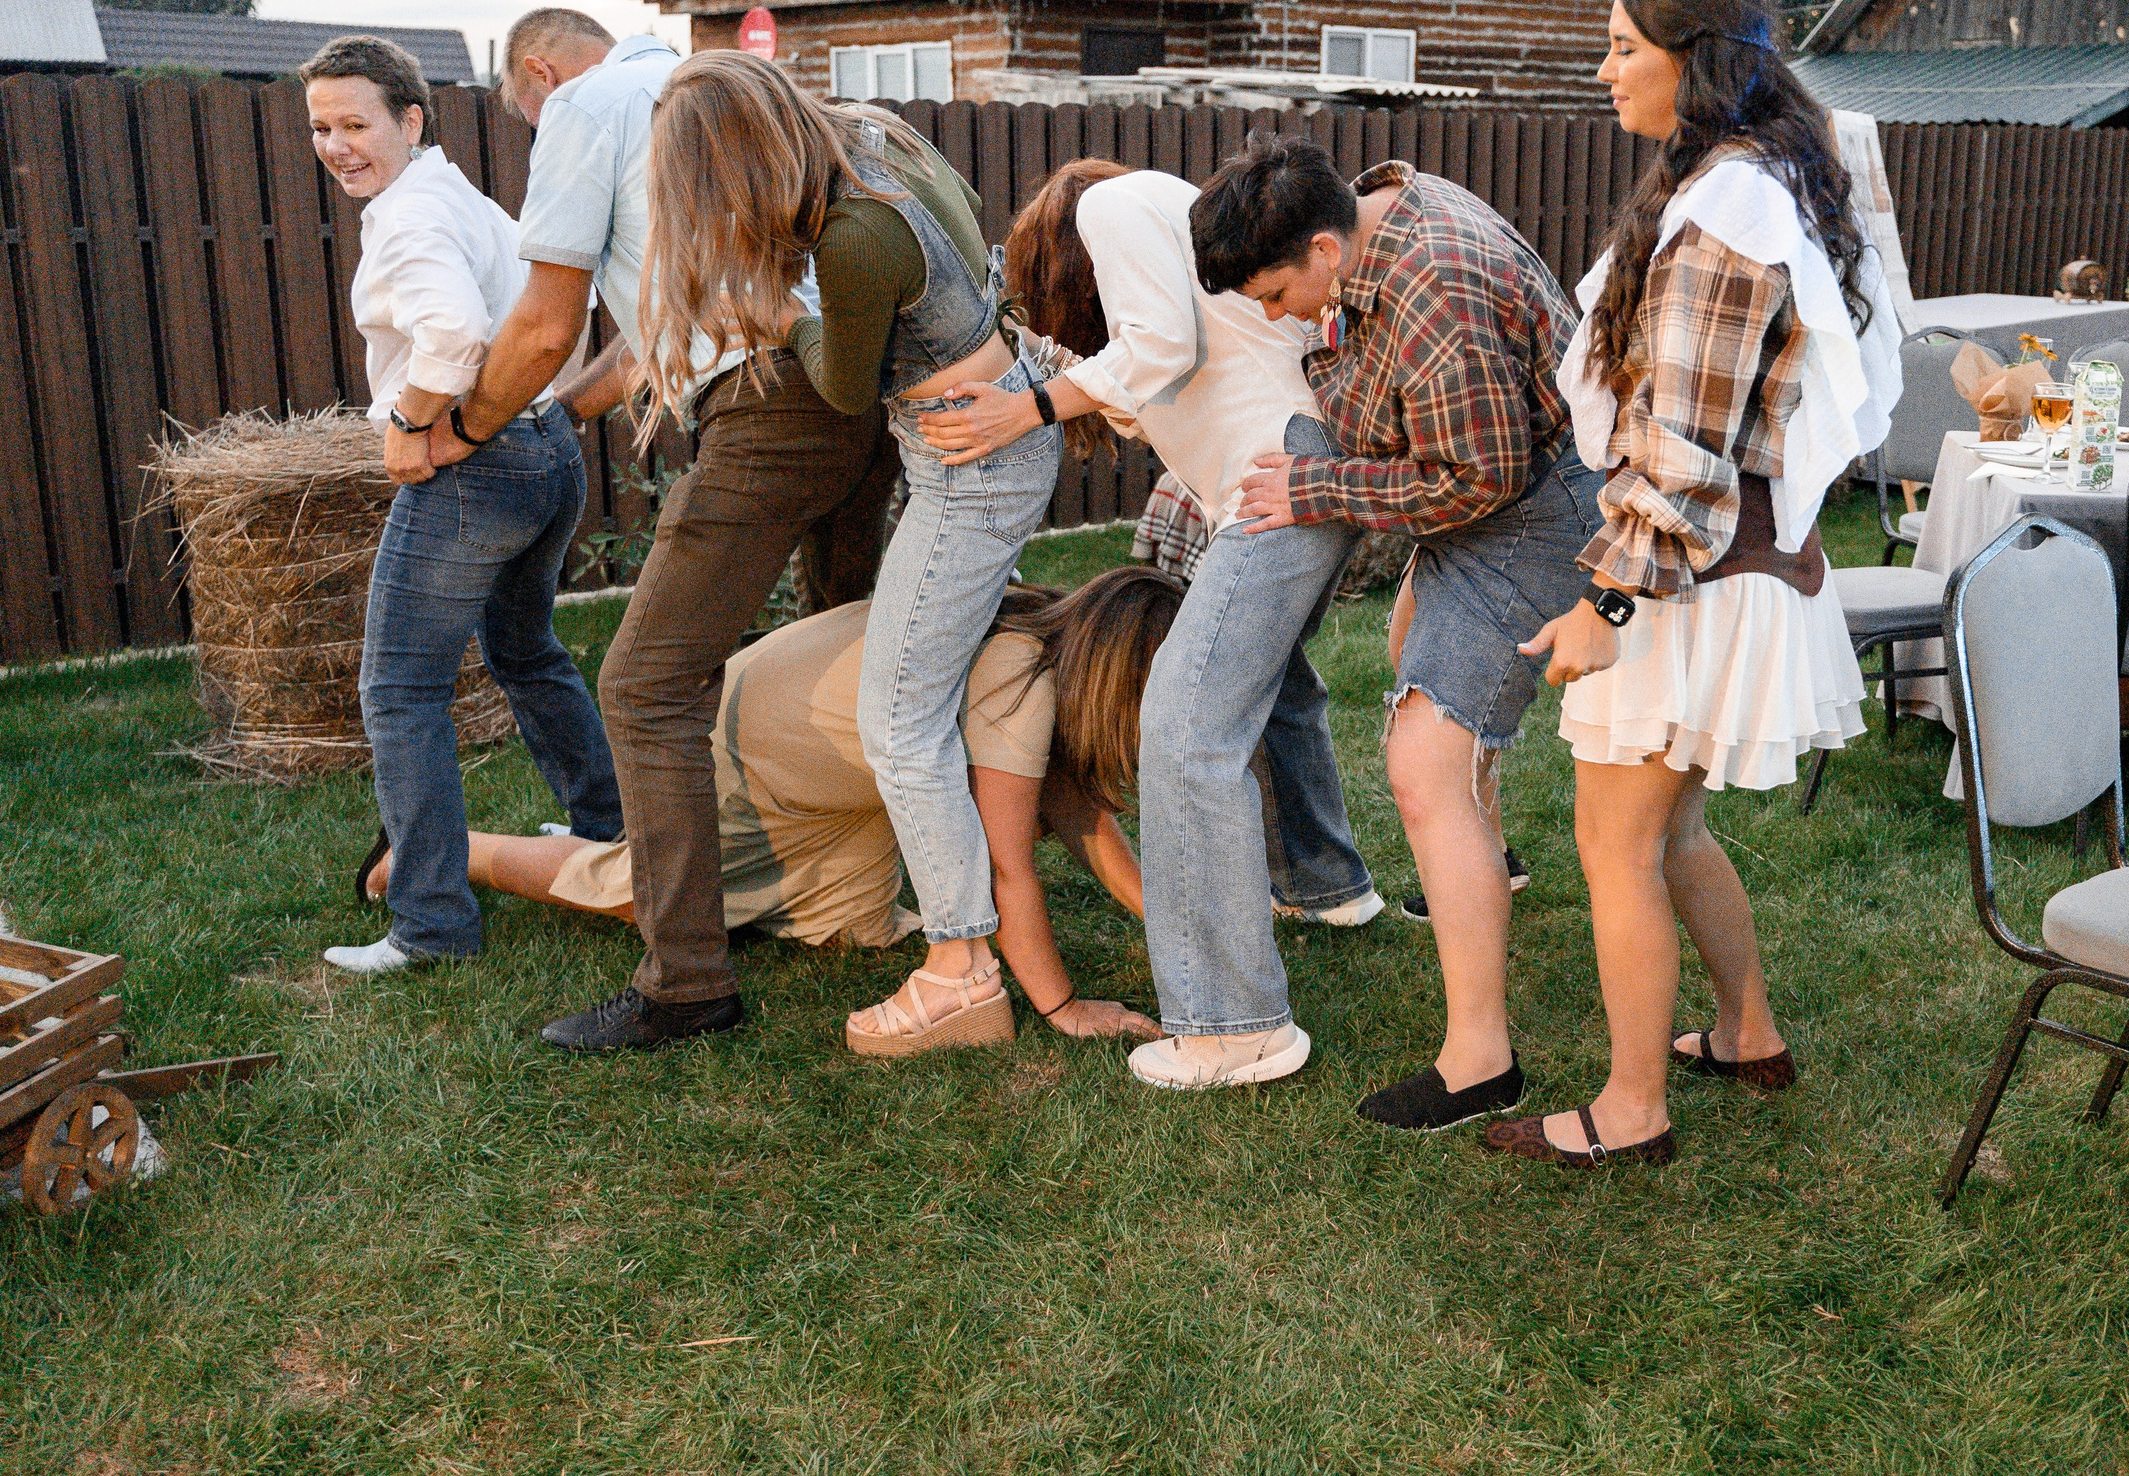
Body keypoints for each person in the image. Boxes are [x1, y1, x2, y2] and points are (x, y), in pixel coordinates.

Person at [1490, 0, 1898, 1170]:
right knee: (1669, 832)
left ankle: (1631, 1108)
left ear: (1696, 58)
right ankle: (1745, 1030)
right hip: (1739, 562)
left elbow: (1683, 448)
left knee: (1615, 844)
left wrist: (1605, 602)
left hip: (1690, 574)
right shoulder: (1756, 181)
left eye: (1624, 46)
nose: (1604, 69)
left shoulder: (1728, 213)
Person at [439, 25, 897, 1055]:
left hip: (769, 409)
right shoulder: (709, 87)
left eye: (525, 115)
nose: (535, 130)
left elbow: (546, 323)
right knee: (851, 645)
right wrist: (562, 410)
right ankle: (859, 895)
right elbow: (652, 335)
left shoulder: (581, 107)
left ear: (541, 73)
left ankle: (685, 981)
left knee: (645, 685)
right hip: (852, 391)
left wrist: (466, 426)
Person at [916, 158, 1379, 1090]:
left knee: (1185, 729)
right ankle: (1327, 886)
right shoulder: (1170, 222)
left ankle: (1234, 1025)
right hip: (1296, 460)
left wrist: (1025, 409)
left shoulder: (1111, 204)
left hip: (1271, 475)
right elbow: (1153, 369)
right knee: (1277, 686)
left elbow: (1158, 348)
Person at [1193, 136, 1601, 1131]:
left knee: (1422, 758)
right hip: (1500, 491)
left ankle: (1480, 1063)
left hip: (1538, 513)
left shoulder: (1436, 287)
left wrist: (1317, 485)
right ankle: (1486, 863)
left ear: (1325, 247)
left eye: (1277, 292)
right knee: (1412, 658)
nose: (1276, 315)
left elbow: (1479, 477)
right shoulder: (1378, 210)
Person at [363, 568, 1183, 1044]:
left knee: (849, 928)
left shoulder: (1039, 642)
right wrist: (1066, 1007)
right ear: (1119, 677)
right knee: (636, 888)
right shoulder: (1018, 679)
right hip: (752, 749)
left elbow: (1080, 814)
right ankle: (432, 854)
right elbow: (1004, 871)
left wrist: (1171, 922)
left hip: (835, 771)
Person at [299, 35, 622, 976]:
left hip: (476, 469)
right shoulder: (459, 197)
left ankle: (431, 924)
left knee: (400, 690)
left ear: (410, 120)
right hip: (547, 450)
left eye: (355, 124)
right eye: (321, 127)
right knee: (525, 649)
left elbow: (453, 329)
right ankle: (610, 827)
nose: (336, 145)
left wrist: (413, 420)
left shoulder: (408, 219)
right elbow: (559, 303)